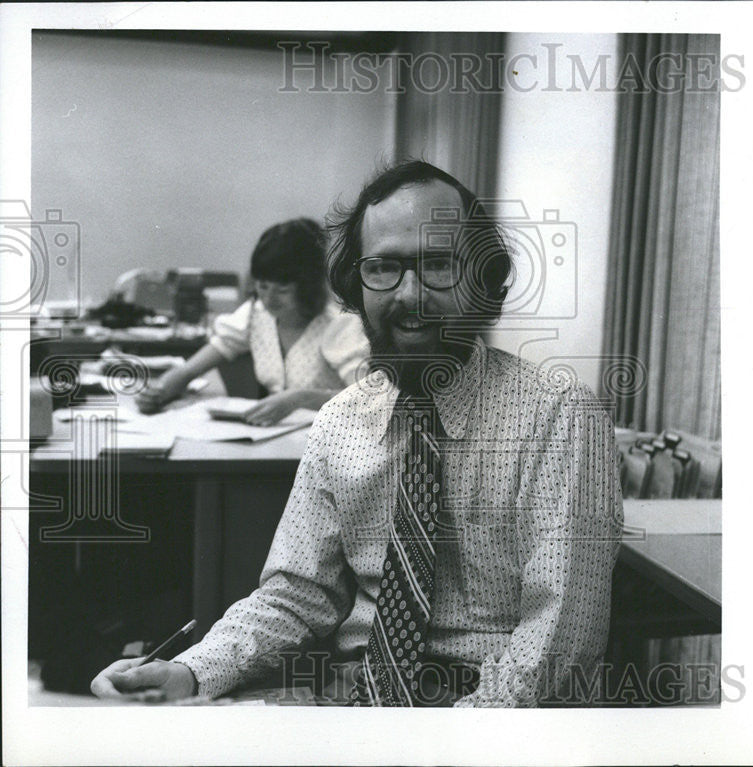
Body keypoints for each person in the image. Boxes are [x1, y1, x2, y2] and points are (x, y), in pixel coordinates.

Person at [92, 162, 622, 707]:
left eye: (438, 264)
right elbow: (296, 595)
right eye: (384, 268)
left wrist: (451, 744)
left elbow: (560, 639)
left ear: (483, 279)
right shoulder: (340, 421)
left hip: (488, 716)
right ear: (355, 282)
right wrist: (191, 671)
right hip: (354, 698)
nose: (409, 294)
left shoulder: (561, 417)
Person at [136, 218, 369, 425]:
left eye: (282, 289)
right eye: (263, 286)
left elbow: (366, 399)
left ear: (309, 287)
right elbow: (191, 369)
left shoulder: (340, 324)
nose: (269, 298)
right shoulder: (255, 314)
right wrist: (161, 390)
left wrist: (300, 398)